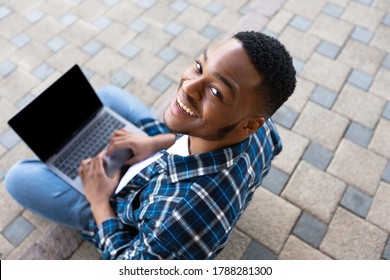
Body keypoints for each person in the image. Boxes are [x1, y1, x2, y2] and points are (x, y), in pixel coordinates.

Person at [5, 31, 296, 259]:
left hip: (129, 203)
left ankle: (92, 205)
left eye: (216, 91)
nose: (188, 86)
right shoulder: (256, 126)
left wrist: (98, 202)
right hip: (160, 160)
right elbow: (228, 140)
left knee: (19, 179)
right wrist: (153, 142)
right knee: (107, 96)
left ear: (248, 125)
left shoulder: (178, 219)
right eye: (199, 66)